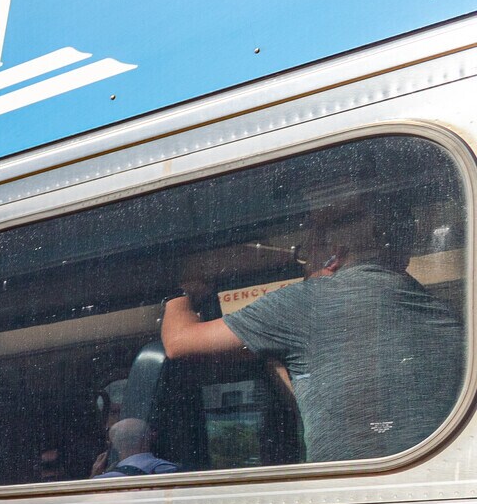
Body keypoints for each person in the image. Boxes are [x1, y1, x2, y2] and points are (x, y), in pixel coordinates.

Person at [161, 197, 464, 463]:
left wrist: (181, 290)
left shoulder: (308, 301)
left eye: (305, 255)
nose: (304, 268)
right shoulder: (444, 313)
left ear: (333, 257)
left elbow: (179, 342)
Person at [92, 418, 179, 477]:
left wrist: (94, 475)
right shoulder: (171, 469)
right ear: (150, 438)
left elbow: (87, 500)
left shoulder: (107, 480)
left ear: (115, 445)